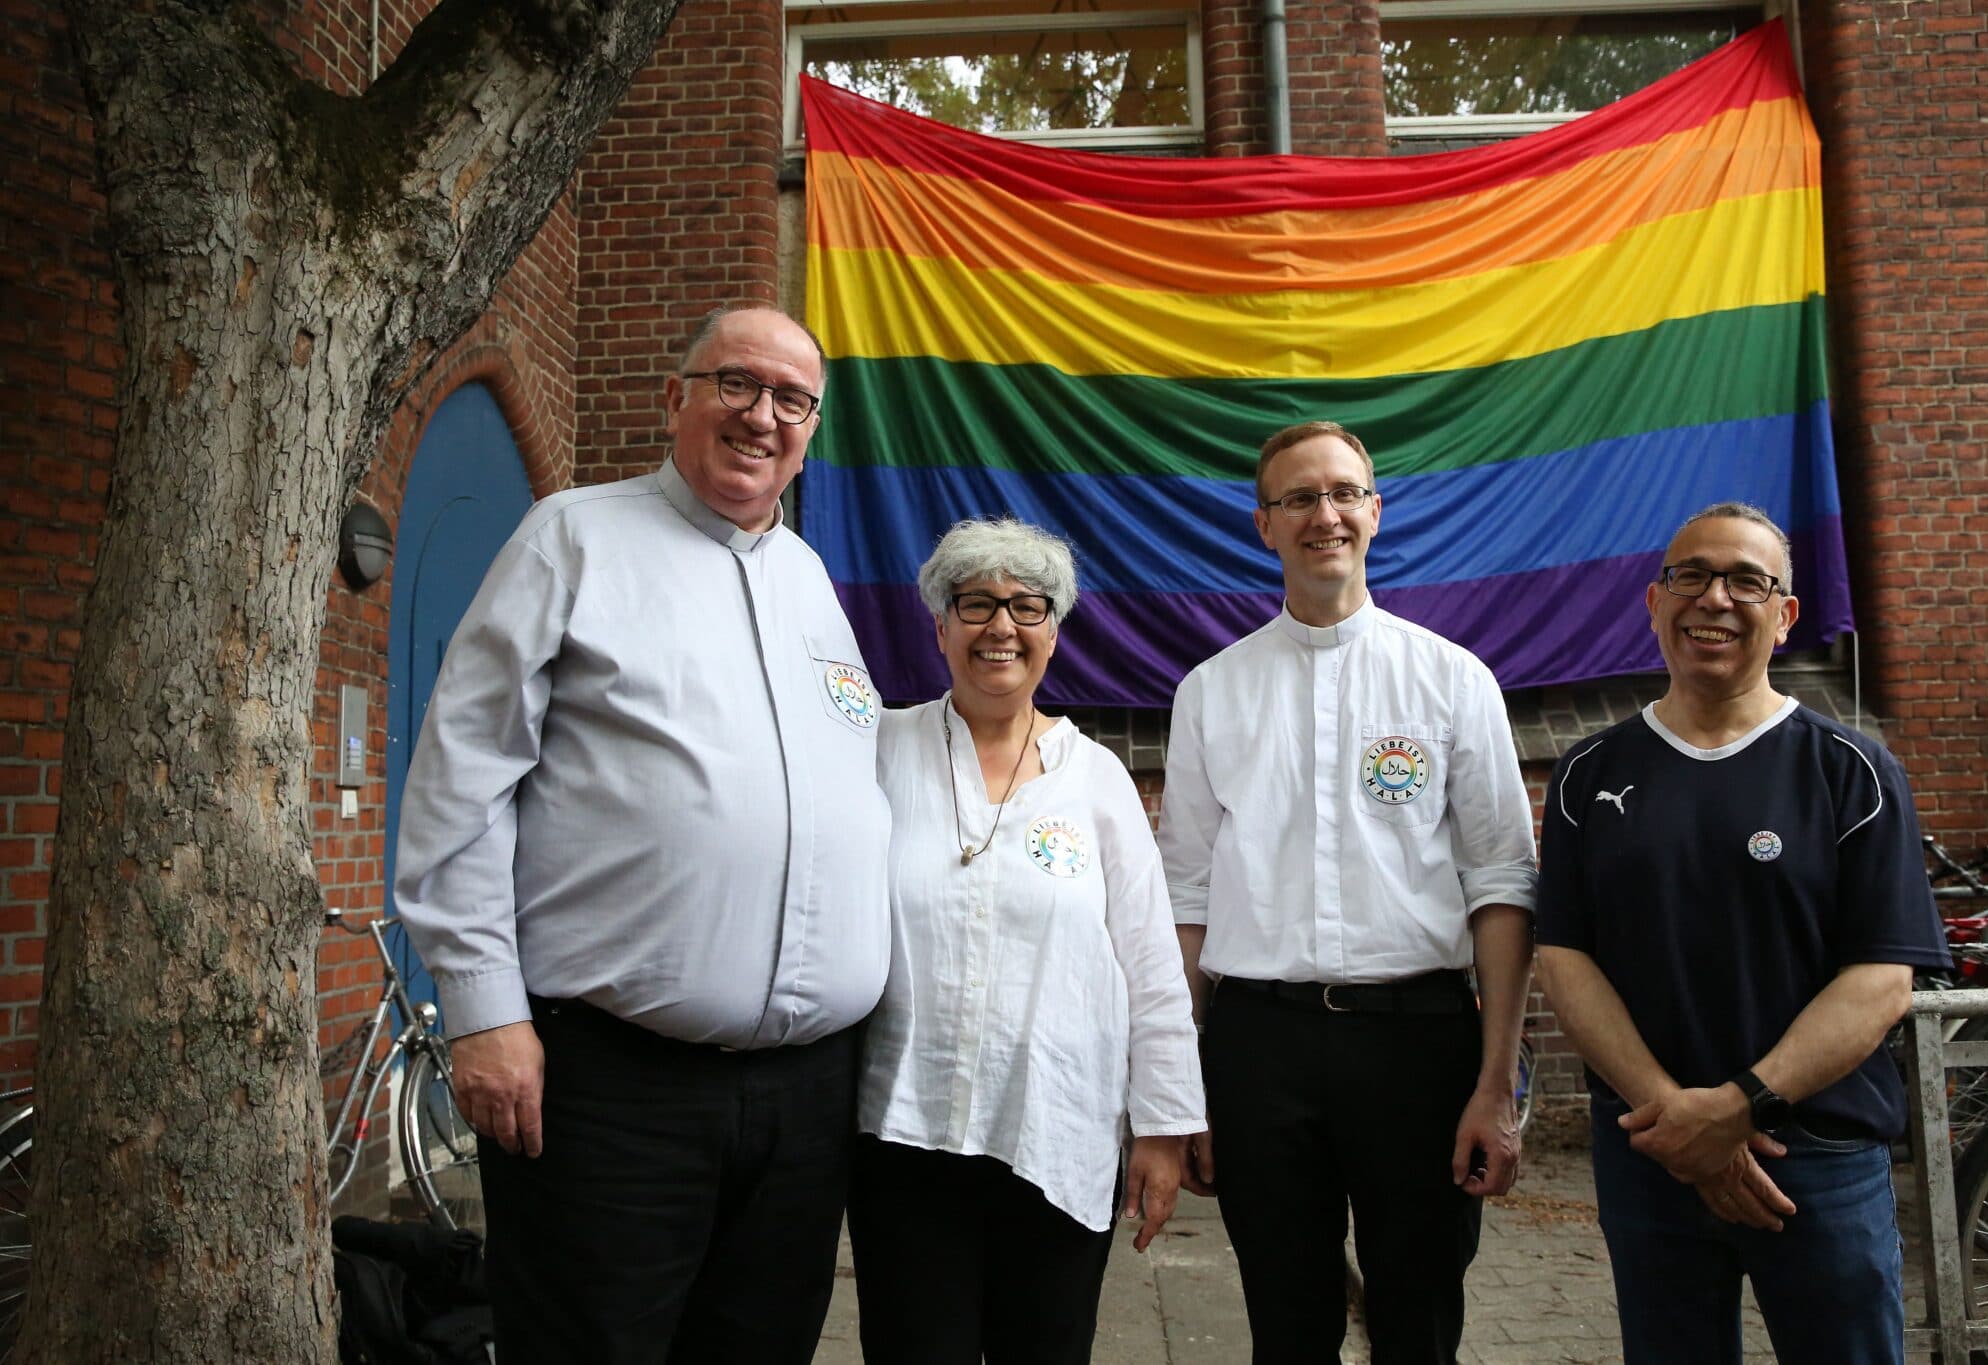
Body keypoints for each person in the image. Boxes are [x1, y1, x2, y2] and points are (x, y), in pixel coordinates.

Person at [392, 305, 891, 1364]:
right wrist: (482, 1013)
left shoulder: (807, 581)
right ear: (677, 397)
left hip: (803, 1101)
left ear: (812, 427)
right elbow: (460, 778)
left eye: (791, 400)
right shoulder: (571, 537)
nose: (763, 416)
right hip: (613, 1094)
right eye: (736, 384)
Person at [1156, 420, 1538, 1363]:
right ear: (1264, 525)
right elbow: (1188, 896)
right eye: (1298, 498)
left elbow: (1501, 883)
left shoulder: (1452, 680)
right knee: (1287, 1325)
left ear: (1373, 510)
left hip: (1420, 1045)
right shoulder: (1212, 691)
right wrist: (1182, 1085)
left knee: (1419, 1322)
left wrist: (1497, 1082)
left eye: (1341, 493)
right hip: (1260, 1047)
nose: (1323, 514)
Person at [1533, 501, 1950, 1364]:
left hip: (1818, 1159)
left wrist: (1735, 1108)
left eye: (1746, 580)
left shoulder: (1853, 770)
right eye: (1690, 575)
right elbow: (1566, 955)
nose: (1713, 598)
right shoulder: (1589, 772)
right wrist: (1676, 1118)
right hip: (1649, 1153)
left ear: (1786, 612)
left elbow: (1881, 978)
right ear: (1655, 602)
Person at [850, 517, 1206, 1364]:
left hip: (1053, 1131)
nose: (1000, 626)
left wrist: (1161, 1127)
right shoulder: (880, 749)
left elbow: (1151, 962)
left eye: (1027, 606)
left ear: (1054, 629)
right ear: (938, 625)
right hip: (904, 1133)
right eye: (975, 603)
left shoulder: (1098, 778)